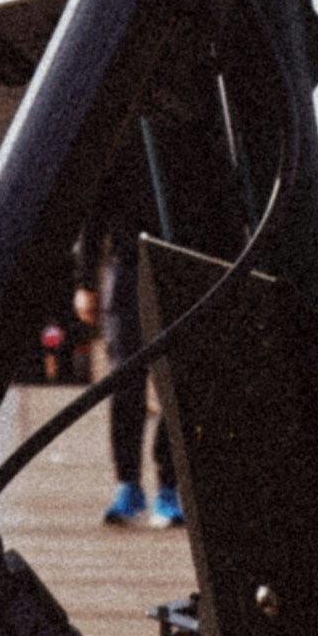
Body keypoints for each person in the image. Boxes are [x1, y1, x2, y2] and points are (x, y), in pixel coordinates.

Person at [93, 145, 181, 527]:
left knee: (174, 383)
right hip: (126, 268)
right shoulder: (121, 141)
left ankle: (169, 486)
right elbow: (95, 213)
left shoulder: (187, 139)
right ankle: (128, 485)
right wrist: (85, 282)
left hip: (174, 266)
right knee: (126, 380)